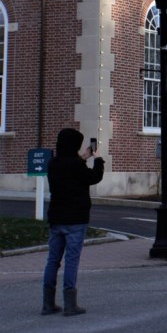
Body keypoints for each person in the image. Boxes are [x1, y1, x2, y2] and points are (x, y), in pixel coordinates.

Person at [42, 128, 105, 316]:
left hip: (56, 218)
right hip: (76, 219)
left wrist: (83, 158)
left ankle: (48, 303)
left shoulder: (53, 164)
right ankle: (70, 304)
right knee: (71, 260)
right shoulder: (77, 166)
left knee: (53, 260)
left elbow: (70, 169)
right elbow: (94, 177)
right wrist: (98, 159)